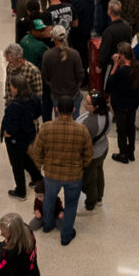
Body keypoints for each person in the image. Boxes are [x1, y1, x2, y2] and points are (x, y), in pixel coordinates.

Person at [29, 95, 93, 246]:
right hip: (74, 176)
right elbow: (88, 154)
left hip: (52, 174)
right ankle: (66, 235)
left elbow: (36, 152)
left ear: (56, 109)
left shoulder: (46, 128)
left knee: (49, 199)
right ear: (74, 110)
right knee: (71, 204)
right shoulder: (82, 130)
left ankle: (48, 225)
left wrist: (41, 166)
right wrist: (81, 167)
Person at [2, 74, 43, 199]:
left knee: (16, 164)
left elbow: (13, 125)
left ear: (16, 88)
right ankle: (38, 179)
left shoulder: (14, 105)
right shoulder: (34, 97)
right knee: (25, 158)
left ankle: (20, 191)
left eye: (11, 86)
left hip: (15, 139)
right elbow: (38, 112)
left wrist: (7, 133)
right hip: (28, 134)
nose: (10, 87)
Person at [77, 90, 112, 210]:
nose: (84, 104)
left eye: (88, 103)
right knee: (98, 172)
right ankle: (99, 197)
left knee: (88, 180)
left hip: (92, 155)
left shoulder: (90, 124)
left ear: (96, 107)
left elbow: (82, 143)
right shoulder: (107, 112)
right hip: (103, 148)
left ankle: (91, 202)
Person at [42, 25, 84, 114]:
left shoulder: (47, 55)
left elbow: (45, 76)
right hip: (73, 94)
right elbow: (80, 75)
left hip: (56, 94)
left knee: (59, 120)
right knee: (74, 119)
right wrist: (76, 87)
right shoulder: (74, 54)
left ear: (53, 38)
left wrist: (52, 85)